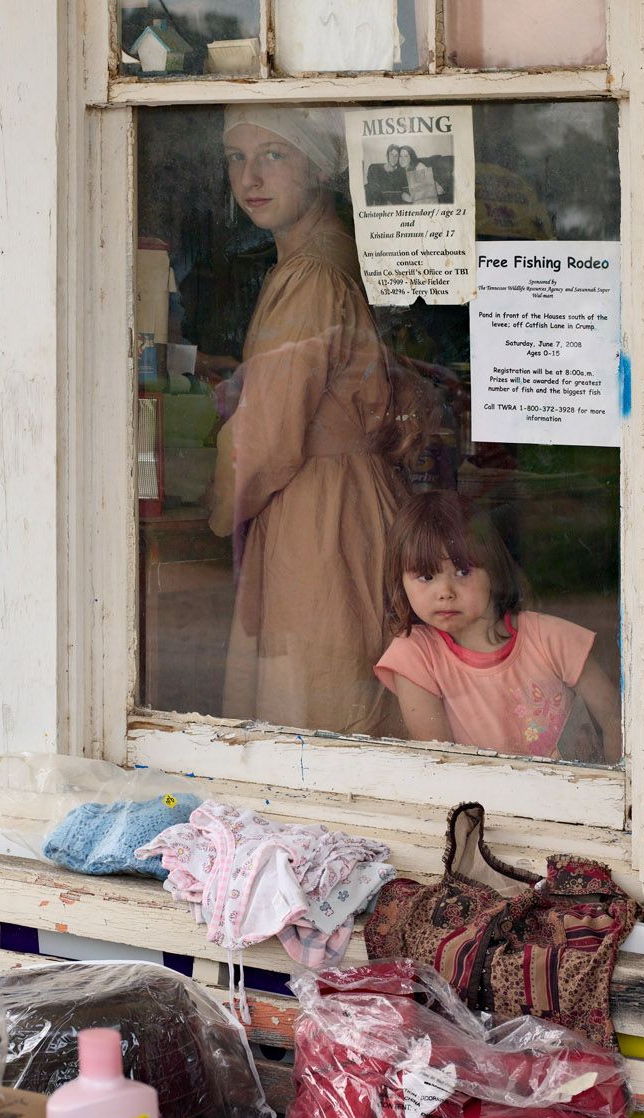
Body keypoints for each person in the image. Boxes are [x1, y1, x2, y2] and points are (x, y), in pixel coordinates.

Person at [208, 107, 436, 737]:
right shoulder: (323, 258)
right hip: (347, 497)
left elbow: (267, 436)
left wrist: (216, 502)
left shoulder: (311, 274)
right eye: (236, 157)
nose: (250, 175)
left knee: (318, 701)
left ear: (317, 166)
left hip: (321, 508)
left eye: (274, 154)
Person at [374, 490, 621, 763]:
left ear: (492, 568)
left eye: (463, 571)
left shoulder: (552, 638)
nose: (444, 591)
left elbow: (615, 719)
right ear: (401, 582)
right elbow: (439, 762)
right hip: (477, 801)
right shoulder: (414, 657)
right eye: (426, 576)